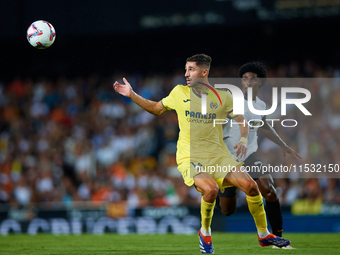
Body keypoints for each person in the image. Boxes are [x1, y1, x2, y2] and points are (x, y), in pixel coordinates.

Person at [113, 54, 291, 253]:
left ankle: (264, 234)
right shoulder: (179, 93)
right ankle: (205, 232)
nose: (186, 74)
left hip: (218, 155)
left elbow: (242, 121)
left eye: (191, 69)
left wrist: (242, 139)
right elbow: (156, 108)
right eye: (186, 69)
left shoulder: (223, 97)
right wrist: (132, 94)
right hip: (190, 156)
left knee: (251, 186)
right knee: (211, 189)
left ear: (204, 72)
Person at [217, 62, 301, 249]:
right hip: (228, 158)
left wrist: (284, 144)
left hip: (249, 155)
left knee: (269, 189)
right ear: (241, 83)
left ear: (260, 82)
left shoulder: (261, 105)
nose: (248, 81)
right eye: (245, 78)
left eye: (253, 78)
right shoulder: (230, 99)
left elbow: (264, 126)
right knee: (227, 210)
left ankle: (278, 240)